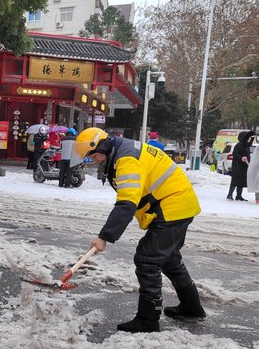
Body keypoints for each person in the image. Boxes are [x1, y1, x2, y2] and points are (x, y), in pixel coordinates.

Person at [71, 127, 205, 333]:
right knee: (169, 259)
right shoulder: (120, 151)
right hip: (177, 205)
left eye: (93, 155)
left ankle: (148, 320)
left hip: (172, 207)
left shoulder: (126, 160)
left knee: (147, 259)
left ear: (102, 147)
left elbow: (127, 203)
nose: (94, 160)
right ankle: (191, 307)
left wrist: (104, 237)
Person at [227, 131, 255, 201]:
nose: (248, 138)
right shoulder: (239, 145)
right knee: (235, 180)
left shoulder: (245, 145)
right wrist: (241, 157)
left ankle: (239, 196)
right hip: (237, 166)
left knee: (241, 180)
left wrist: (252, 138)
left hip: (244, 166)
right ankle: (229, 195)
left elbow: (249, 144)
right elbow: (235, 154)